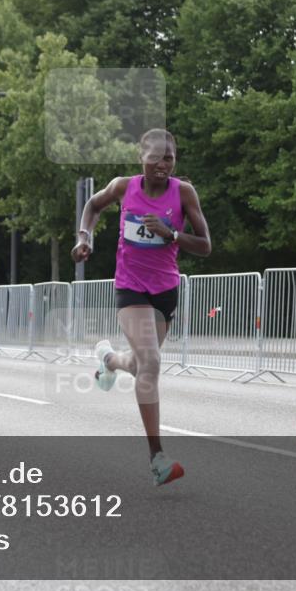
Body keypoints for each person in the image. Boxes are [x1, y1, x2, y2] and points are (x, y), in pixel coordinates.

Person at [71, 129, 211, 486]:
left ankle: (108, 360)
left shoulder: (183, 193)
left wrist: (172, 234)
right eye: (156, 156)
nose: (163, 164)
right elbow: (93, 206)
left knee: (138, 364)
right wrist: (84, 237)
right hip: (130, 288)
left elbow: (205, 245)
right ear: (141, 156)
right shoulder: (123, 187)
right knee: (151, 362)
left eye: (169, 158)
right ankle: (157, 458)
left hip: (165, 291)